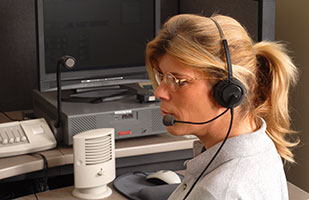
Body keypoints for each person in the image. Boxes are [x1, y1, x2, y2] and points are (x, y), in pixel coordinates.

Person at [145, 14, 299, 200]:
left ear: (227, 92)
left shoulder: (220, 192)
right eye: (162, 76)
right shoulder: (259, 143)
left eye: (178, 81)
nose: (160, 92)